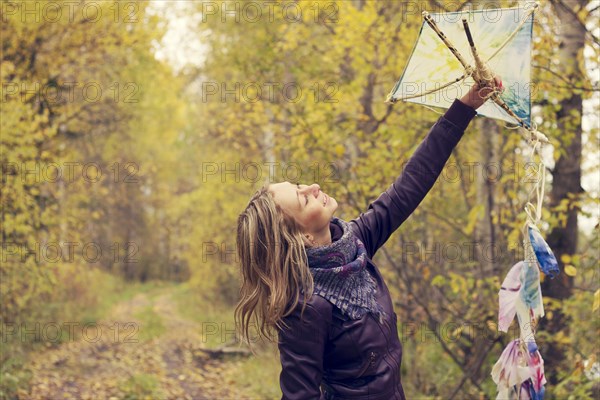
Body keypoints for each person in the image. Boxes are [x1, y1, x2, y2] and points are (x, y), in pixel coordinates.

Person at [235, 77, 502, 400]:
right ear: (302, 236)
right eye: (302, 199)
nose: (313, 188)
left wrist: (465, 106)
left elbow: (411, 182)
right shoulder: (305, 308)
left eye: (300, 185)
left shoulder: (355, 244)